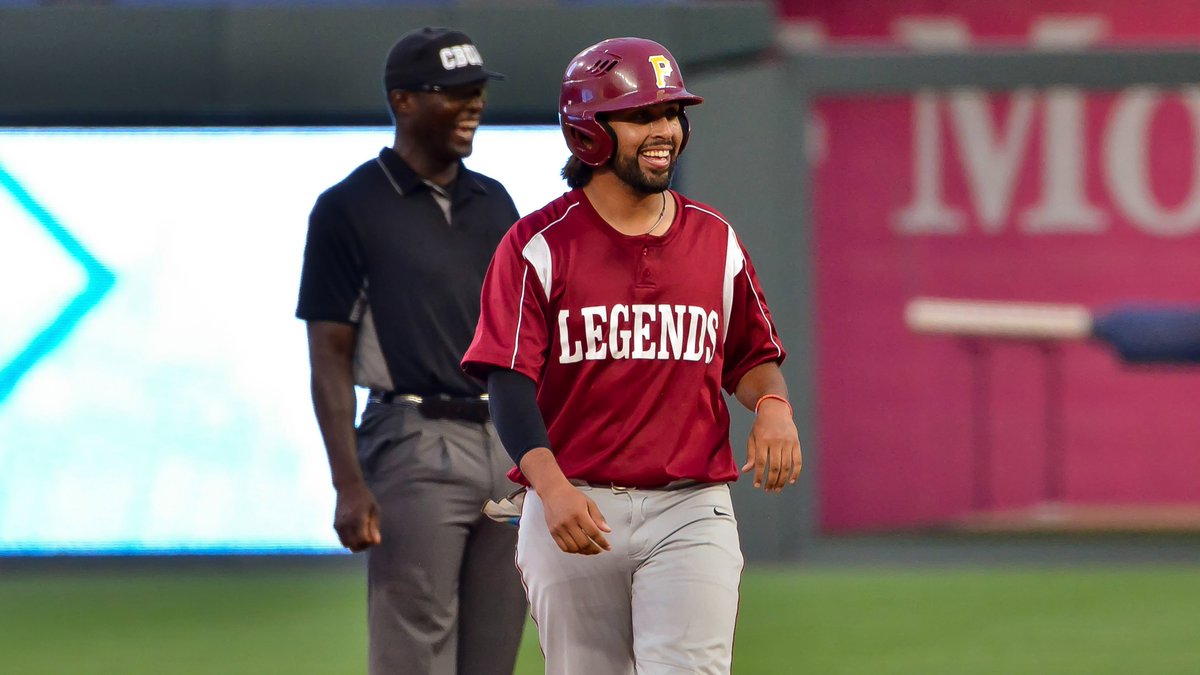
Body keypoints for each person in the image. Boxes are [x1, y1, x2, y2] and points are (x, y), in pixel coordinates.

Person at [462, 37, 803, 675]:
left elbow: (751, 356)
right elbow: (508, 385)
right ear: (588, 133)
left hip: (691, 505)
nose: (665, 130)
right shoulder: (537, 244)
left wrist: (775, 406)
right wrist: (550, 487)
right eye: (642, 115)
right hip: (576, 504)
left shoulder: (715, 238)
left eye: (672, 113)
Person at [295, 26, 526, 675]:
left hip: (505, 445)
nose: (473, 103)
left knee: (496, 650)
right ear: (403, 100)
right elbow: (328, 355)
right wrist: (348, 482)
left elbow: (520, 337)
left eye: (477, 90)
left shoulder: (495, 202)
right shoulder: (348, 207)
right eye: (453, 92)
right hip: (414, 439)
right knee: (414, 653)